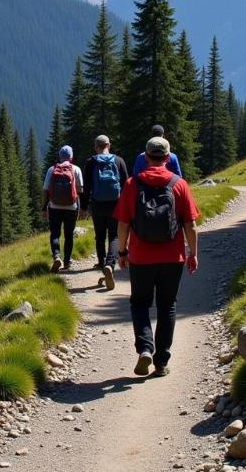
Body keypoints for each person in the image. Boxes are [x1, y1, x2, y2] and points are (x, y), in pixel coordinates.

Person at [114, 135, 199, 376]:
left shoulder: (132, 184)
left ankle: (145, 349)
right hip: (172, 258)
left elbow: (123, 225)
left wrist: (122, 251)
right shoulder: (179, 184)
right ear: (168, 157)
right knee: (167, 306)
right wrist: (193, 253)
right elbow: (190, 225)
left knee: (140, 304)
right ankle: (161, 362)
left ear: (146, 156)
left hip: (141, 258)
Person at [80, 134, 129, 291]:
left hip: (97, 204)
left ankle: (102, 263)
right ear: (109, 145)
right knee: (114, 235)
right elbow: (126, 184)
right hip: (116, 204)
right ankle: (110, 264)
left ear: (96, 147)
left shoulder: (91, 162)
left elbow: (86, 187)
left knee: (99, 235)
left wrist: (83, 207)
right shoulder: (119, 161)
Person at [42, 145, 84, 272]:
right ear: (71, 157)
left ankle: (56, 257)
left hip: (54, 206)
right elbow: (80, 189)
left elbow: (45, 190)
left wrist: (44, 208)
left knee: (55, 233)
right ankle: (67, 262)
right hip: (71, 207)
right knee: (69, 234)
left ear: (60, 156)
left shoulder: (52, 169)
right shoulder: (76, 169)